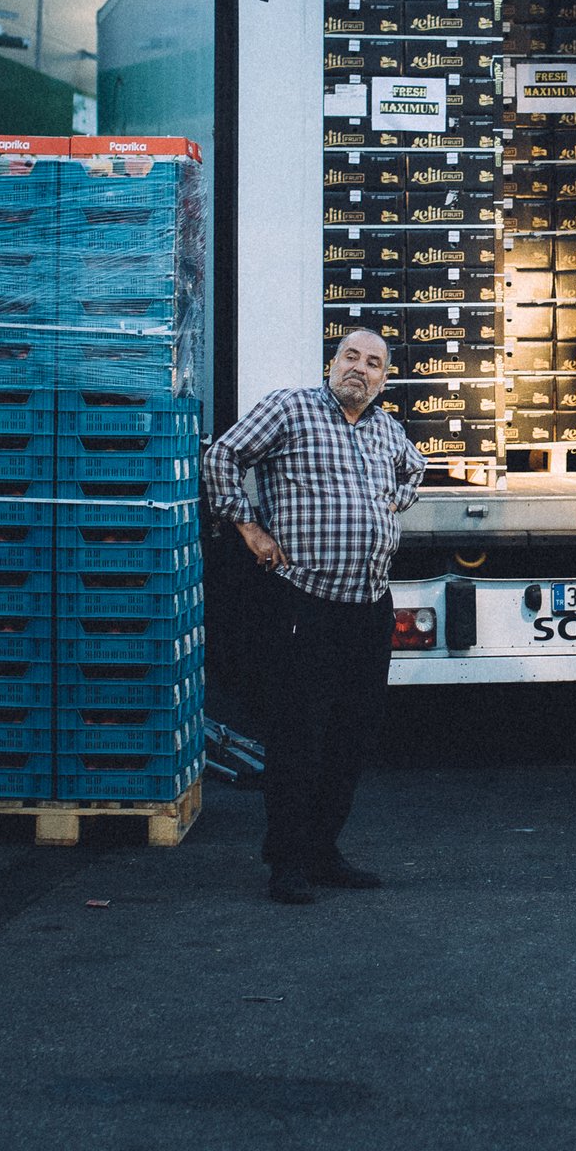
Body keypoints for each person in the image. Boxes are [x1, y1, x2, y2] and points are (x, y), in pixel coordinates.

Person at [200, 327, 425, 904]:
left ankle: (324, 852)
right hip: (304, 604)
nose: (360, 369)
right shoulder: (292, 409)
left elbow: (415, 472)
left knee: (351, 737)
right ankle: (287, 863)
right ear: (333, 362)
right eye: (351, 356)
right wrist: (246, 525)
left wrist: (387, 503)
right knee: (298, 735)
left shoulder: (386, 429)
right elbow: (223, 454)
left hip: (368, 606)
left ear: (383, 378)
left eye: (373, 363)